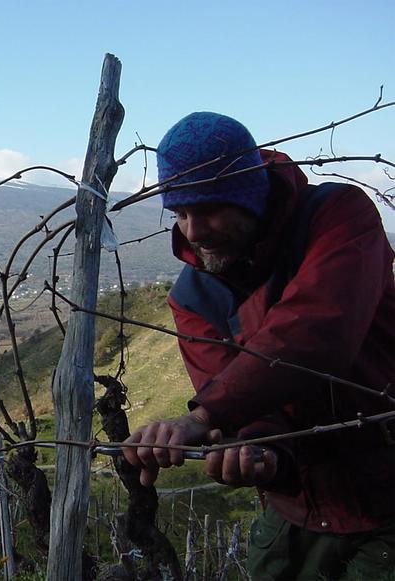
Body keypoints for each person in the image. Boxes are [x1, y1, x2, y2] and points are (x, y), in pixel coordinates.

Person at [121, 112, 394, 580]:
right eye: (180, 213)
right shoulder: (192, 296)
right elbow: (239, 402)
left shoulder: (337, 215)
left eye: (206, 208)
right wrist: (257, 454)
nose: (192, 230)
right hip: (298, 511)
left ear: (249, 194)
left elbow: (317, 330)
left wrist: (202, 416)